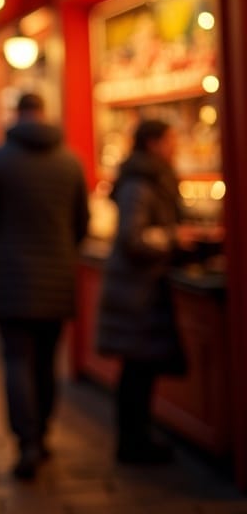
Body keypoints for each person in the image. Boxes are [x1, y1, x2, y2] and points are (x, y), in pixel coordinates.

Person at [0, 92, 89, 480]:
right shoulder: (70, 161)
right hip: (57, 277)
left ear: (16, 116)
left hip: (9, 277)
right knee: (47, 361)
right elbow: (82, 223)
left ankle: (27, 441)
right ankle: (44, 431)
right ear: (44, 113)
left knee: (17, 360)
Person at [97, 118, 188, 465]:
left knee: (139, 370)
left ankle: (136, 439)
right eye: (170, 139)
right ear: (153, 143)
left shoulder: (143, 178)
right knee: (138, 370)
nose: (174, 146)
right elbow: (133, 237)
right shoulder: (141, 182)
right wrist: (173, 237)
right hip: (137, 290)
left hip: (137, 288)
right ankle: (133, 442)